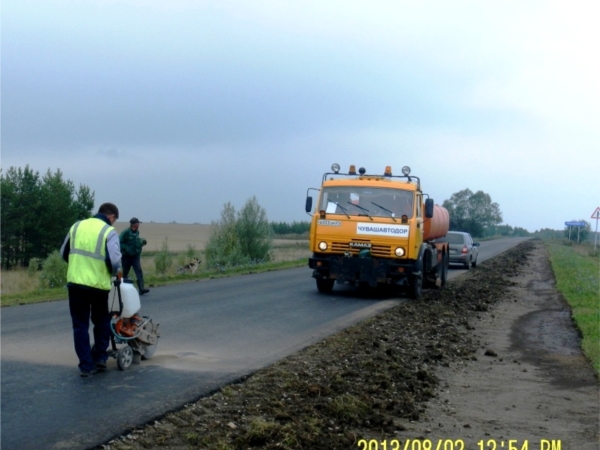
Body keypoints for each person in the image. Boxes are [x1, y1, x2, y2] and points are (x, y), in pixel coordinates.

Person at [60, 202, 122, 377]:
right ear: (111, 217)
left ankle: (86, 366)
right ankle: (101, 358)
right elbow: (116, 260)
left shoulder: (76, 226)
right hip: (98, 286)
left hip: (76, 285)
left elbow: (63, 252)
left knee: (80, 326)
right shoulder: (109, 232)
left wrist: (77, 267)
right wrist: (114, 273)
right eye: (114, 220)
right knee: (102, 321)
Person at [119, 217, 149, 295]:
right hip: (126, 256)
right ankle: (122, 289)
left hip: (135, 256)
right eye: (138, 223)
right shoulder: (126, 232)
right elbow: (119, 242)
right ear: (134, 224)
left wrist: (141, 243)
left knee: (139, 271)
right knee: (125, 273)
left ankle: (141, 288)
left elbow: (136, 241)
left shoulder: (137, 232)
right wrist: (126, 249)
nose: (139, 225)